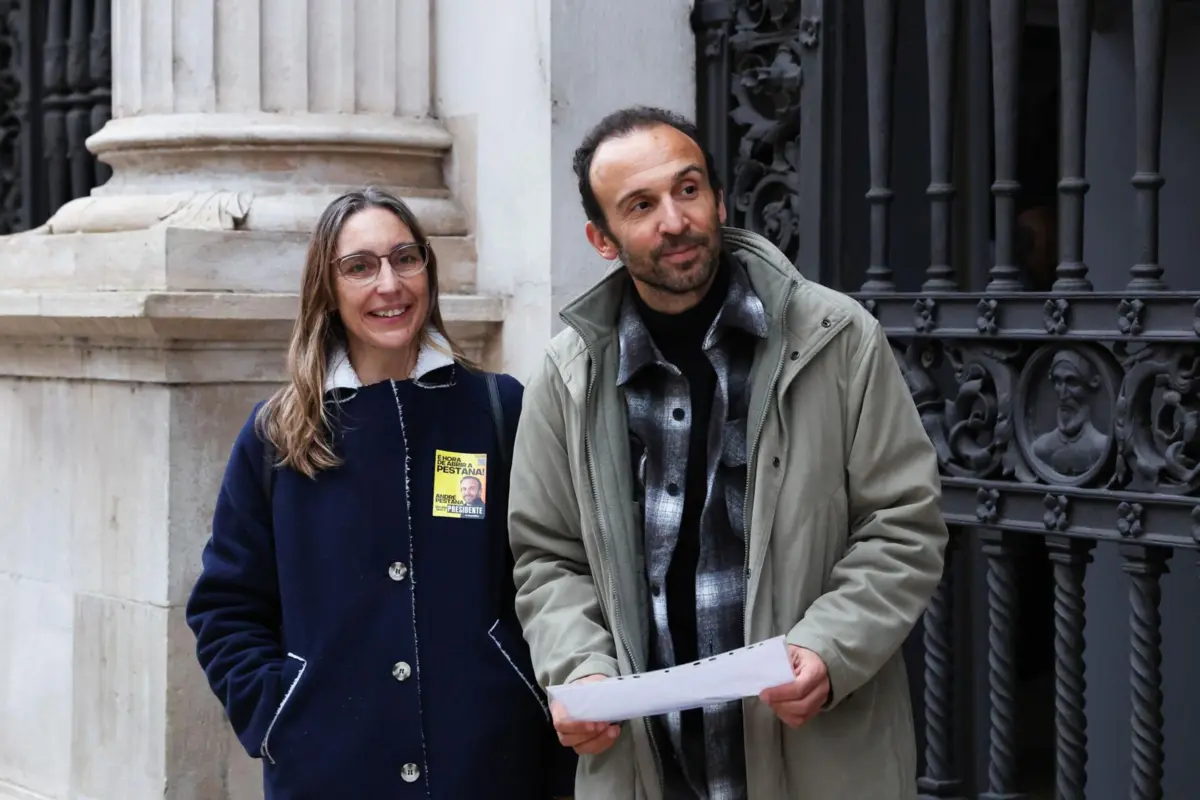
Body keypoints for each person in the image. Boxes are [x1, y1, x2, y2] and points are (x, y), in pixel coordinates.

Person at [507, 106, 948, 799]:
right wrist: (579, 668)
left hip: (815, 761)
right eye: (641, 205)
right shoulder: (568, 378)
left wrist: (828, 646)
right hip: (647, 769)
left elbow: (903, 524)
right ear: (602, 238)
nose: (674, 220)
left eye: (688, 190)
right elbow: (548, 556)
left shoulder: (837, 338)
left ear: (718, 199)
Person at [185, 188, 574, 799]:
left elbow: (548, 566)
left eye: (405, 258)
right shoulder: (277, 434)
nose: (389, 285)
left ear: (428, 270)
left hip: (491, 763)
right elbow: (225, 607)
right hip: (331, 773)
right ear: (327, 289)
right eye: (360, 267)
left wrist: (525, 691)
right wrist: (278, 714)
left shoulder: (498, 408)